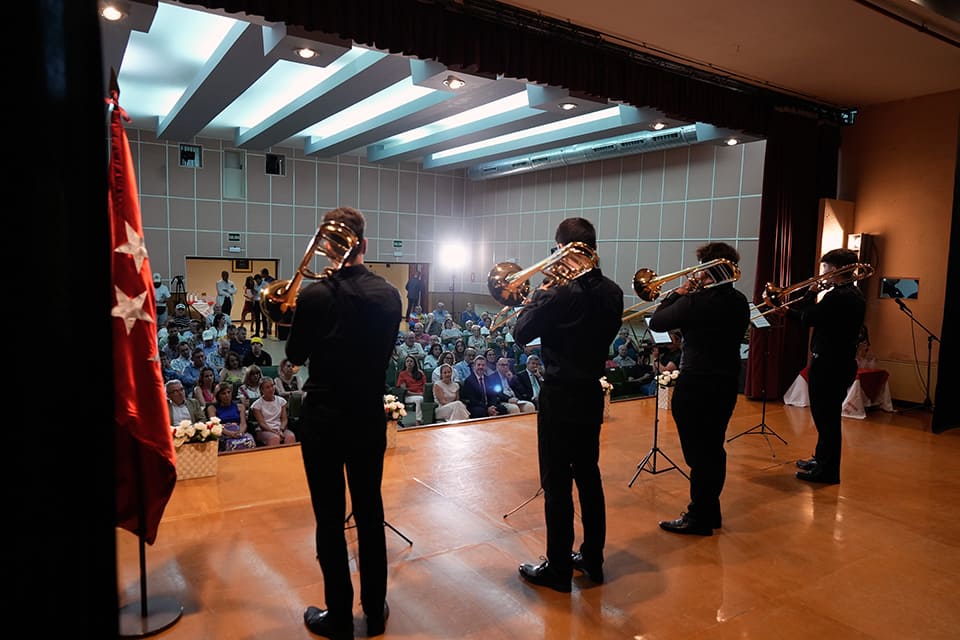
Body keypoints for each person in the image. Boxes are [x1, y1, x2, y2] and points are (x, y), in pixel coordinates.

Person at [285, 207, 401, 639]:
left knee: (329, 519)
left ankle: (339, 616)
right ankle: (374, 610)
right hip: (368, 414)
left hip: (324, 418)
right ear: (364, 245)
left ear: (328, 247)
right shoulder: (390, 295)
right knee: (370, 513)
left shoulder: (315, 296)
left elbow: (295, 356)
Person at [513, 217, 622, 592]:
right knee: (589, 478)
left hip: (559, 396)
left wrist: (542, 291)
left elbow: (520, 332)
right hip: (591, 392)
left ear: (564, 249)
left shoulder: (557, 293)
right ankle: (593, 558)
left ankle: (558, 568)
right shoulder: (613, 291)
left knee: (557, 484)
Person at [648, 242, 749, 535]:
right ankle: (710, 510)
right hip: (727, 380)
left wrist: (678, 292)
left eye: (701, 266)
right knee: (714, 448)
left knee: (698, 454)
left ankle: (699, 517)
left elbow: (657, 321)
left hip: (697, 382)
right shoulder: (740, 301)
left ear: (708, 268)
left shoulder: (695, 301)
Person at [787, 248, 866, 485]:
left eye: (825, 268)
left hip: (831, 364)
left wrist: (788, 310)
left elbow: (808, 318)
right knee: (825, 418)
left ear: (835, 269)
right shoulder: (851, 294)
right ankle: (821, 459)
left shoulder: (839, 296)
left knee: (827, 419)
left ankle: (827, 471)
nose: (822, 274)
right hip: (836, 362)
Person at [207, 382, 256, 451]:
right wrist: (230, 434)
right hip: (223, 432)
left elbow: (243, 423)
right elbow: (215, 425)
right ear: (218, 396)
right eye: (223, 393)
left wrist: (240, 433)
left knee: (249, 440)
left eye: (228, 392)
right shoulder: (212, 408)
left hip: (238, 431)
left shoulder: (240, 406)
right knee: (230, 443)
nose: (227, 395)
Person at [251, 377, 296, 447]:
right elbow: (262, 424)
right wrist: (274, 432)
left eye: (272, 386)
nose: (271, 389)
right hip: (264, 430)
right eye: (267, 387)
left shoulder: (282, 401)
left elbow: (284, 419)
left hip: (280, 428)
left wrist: (281, 430)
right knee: (274, 438)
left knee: (291, 437)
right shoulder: (256, 405)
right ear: (262, 390)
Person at [396, 355, 426, 426]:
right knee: (419, 399)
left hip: (421, 394)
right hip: (408, 396)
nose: (409, 363)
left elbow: (425, 385)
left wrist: (424, 393)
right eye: (407, 361)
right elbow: (404, 391)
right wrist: (419, 394)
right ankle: (418, 420)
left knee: (423, 398)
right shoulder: (402, 374)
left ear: (415, 363)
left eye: (411, 361)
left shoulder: (420, 373)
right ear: (405, 363)